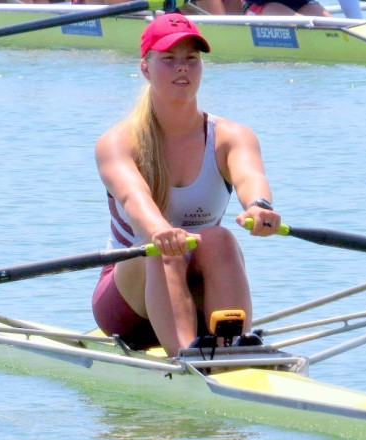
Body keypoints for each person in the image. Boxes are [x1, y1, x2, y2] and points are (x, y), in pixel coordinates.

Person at [92, 13, 281, 357]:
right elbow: (134, 198)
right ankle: (188, 358)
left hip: (195, 292)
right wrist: (160, 229)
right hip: (127, 304)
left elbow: (250, 177)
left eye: (191, 59)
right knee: (165, 246)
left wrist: (260, 206)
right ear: (145, 67)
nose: (183, 68)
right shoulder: (118, 142)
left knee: (219, 238)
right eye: (169, 59)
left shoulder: (231, 136)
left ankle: (232, 347)